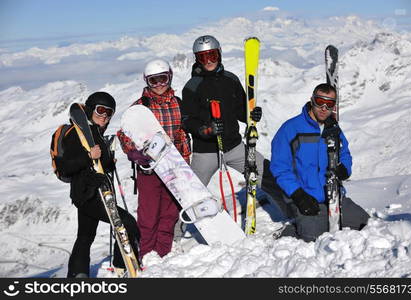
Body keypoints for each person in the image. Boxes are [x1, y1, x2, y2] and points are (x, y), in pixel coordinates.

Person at [181, 35, 287, 217]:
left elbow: (240, 110)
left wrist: (250, 115)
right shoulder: (191, 87)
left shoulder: (230, 80)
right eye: (203, 57)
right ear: (197, 59)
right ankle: (173, 236)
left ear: (219, 54)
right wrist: (205, 130)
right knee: (188, 194)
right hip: (206, 153)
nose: (208, 61)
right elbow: (187, 120)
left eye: (212, 55)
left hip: (235, 147)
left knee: (269, 175)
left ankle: (291, 214)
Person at [270, 83, 369, 242]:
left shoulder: (333, 129)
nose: (324, 108)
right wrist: (298, 195)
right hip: (305, 197)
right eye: (319, 101)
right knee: (314, 239)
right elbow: (280, 168)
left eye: (329, 104)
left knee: (367, 226)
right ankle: (290, 231)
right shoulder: (290, 129)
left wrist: (344, 168)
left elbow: (344, 153)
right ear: (311, 100)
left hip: (334, 195)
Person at [57, 92, 140, 278]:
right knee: (127, 223)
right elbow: (65, 166)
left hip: (88, 193)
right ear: (90, 109)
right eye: (100, 110)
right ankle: (122, 267)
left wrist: (108, 159)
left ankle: (77, 275)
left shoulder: (95, 133)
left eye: (109, 112)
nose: (104, 115)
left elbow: (100, 165)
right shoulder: (76, 133)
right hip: (89, 194)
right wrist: (89, 157)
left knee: (85, 236)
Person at [117, 59, 191, 259]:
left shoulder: (178, 104)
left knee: (169, 214)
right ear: (146, 81)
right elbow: (124, 135)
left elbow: (181, 134)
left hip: (173, 167)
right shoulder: (140, 108)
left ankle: (163, 252)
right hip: (149, 170)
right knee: (149, 215)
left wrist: (185, 161)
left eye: (163, 79)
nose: (159, 85)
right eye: (153, 81)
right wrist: (134, 152)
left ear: (170, 77)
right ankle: (147, 254)